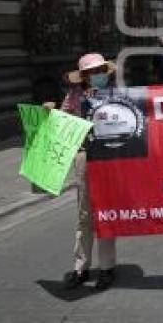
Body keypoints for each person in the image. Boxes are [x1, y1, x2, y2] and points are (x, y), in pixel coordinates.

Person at [55, 53, 119, 291]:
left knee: (106, 213)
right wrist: (50, 111)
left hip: (108, 158)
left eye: (100, 70)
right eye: (92, 72)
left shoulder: (115, 93)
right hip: (83, 156)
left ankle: (107, 267)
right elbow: (62, 121)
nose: (97, 75)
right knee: (84, 213)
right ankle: (81, 266)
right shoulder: (74, 95)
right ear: (84, 76)